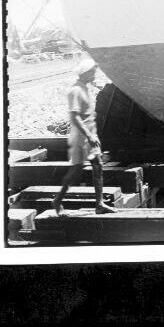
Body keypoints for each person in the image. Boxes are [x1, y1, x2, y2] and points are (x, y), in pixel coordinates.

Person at [51, 58, 117, 215]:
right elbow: (75, 117)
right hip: (81, 137)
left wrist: (92, 135)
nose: (95, 75)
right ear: (85, 73)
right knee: (76, 170)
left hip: (90, 135)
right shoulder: (75, 91)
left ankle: (99, 204)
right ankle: (57, 201)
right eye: (93, 72)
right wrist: (89, 136)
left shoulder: (84, 87)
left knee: (98, 165)